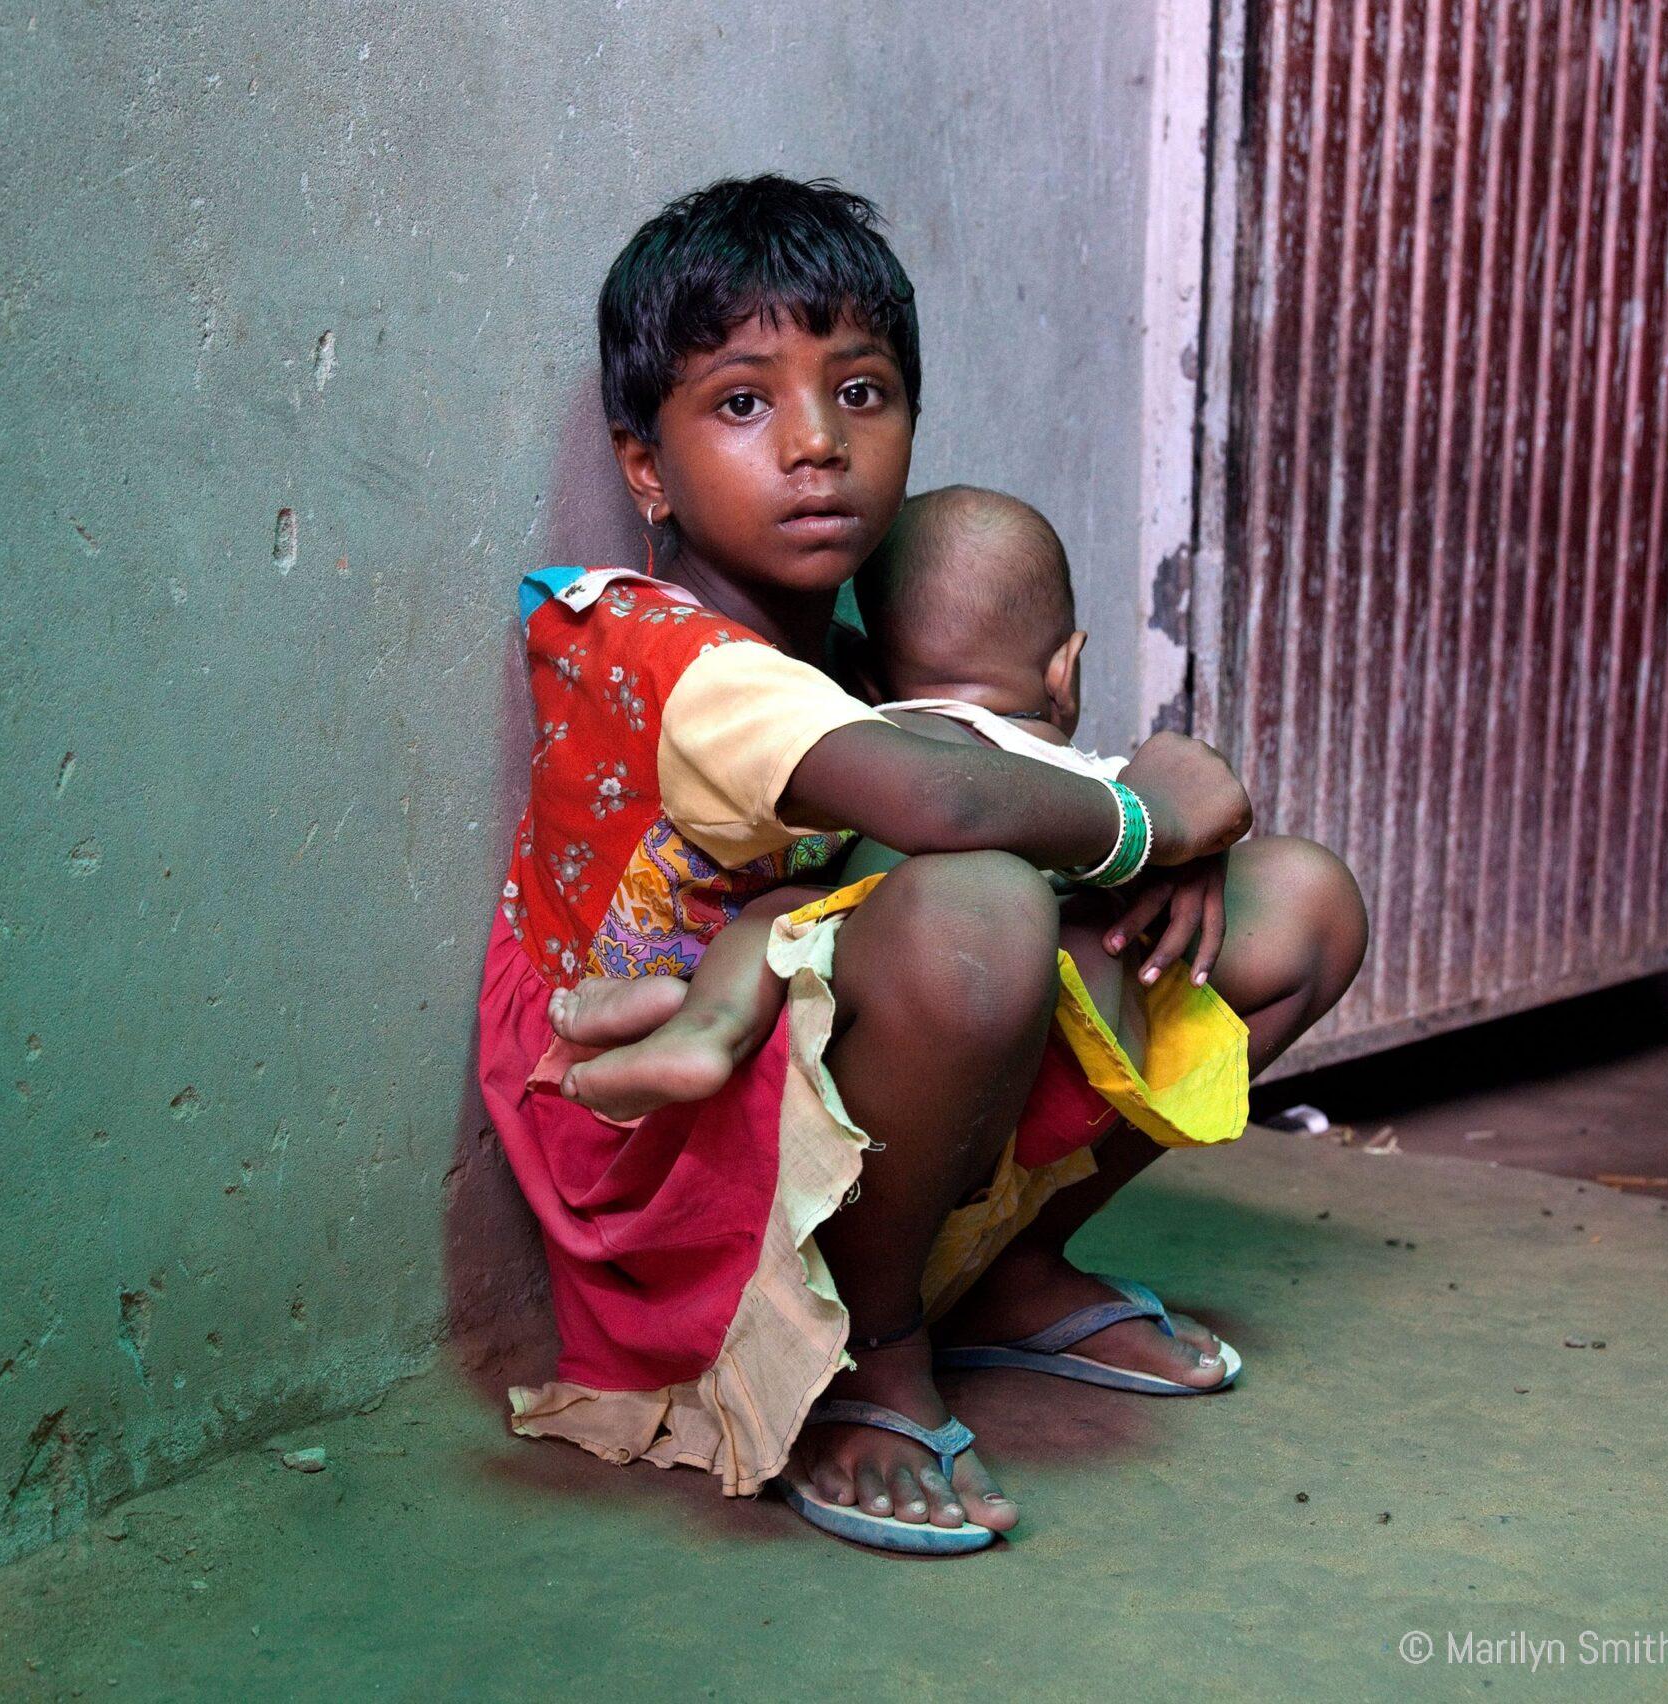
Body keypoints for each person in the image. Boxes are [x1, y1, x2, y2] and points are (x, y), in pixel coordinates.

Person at [475, 175, 1366, 1554]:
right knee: (984, 907)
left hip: (808, 1079)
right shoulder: (670, 655)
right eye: (742, 402)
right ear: (643, 467)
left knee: (1296, 907)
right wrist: (1150, 818)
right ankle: (864, 1361)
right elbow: (944, 798)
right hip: (663, 1169)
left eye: (864, 392)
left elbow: (994, 780)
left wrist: (1183, 817)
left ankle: (1004, 1280)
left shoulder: (849, 642)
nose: (818, 444)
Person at [545, 485, 1181, 1127]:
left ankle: (705, 1024)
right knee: (1103, 929)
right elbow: (1150, 843)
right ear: (1064, 673)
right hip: (1009, 1007)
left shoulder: (886, 735)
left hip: (871, 952)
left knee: (775, 915)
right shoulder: (1098, 784)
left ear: (870, 682)